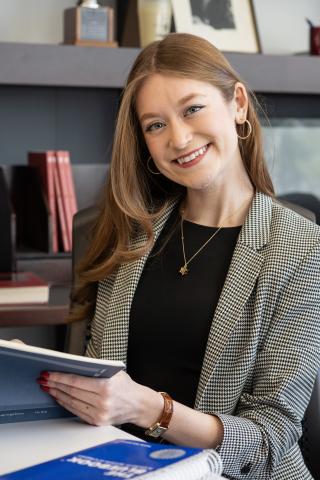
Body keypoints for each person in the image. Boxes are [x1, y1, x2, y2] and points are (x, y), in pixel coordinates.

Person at [38, 33, 320, 479]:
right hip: (116, 465)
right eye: (156, 125)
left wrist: (151, 408)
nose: (179, 137)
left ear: (238, 104)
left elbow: (268, 441)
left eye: (192, 109)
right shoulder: (127, 232)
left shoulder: (301, 248)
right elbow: (97, 379)